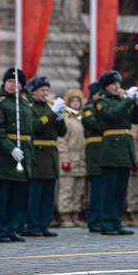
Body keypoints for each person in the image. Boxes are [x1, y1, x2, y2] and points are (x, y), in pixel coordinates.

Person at [0, 68, 35, 242]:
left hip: (23, 154)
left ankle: (12, 228)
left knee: (19, 196)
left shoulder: (24, 103)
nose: (11, 84)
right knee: (3, 196)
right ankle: (0, 231)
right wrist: (11, 149)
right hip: (5, 156)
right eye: (8, 81)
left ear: (21, 86)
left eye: (16, 82)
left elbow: (31, 129)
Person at [97, 70, 138, 235]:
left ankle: (117, 221)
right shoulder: (102, 101)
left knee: (120, 190)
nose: (118, 86)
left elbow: (136, 119)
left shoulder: (121, 100)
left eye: (118, 83)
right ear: (106, 86)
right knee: (109, 190)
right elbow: (112, 114)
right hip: (111, 149)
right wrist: (128, 101)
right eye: (113, 84)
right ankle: (106, 223)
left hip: (124, 149)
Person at [24, 76, 66, 237]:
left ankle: (43, 224)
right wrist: (52, 113)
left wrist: (60, 117)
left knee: (48, 193)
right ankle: (32, 225)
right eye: (42, 90)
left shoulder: (50, 108)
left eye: (47, 90)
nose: (46, 93)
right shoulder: (29, 107)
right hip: (37, 154)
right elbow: (34, 127)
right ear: (33, 92)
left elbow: (62, 133)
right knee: (36, 193)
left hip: (50, 155)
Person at [57, 89, 86, 227]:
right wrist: (64, 158)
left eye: (78, 100)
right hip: (69, 156)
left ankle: (75, 213)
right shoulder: (65, 119)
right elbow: (61, 140)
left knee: (78, 189)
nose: (76, 103)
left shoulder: (80, 118)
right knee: (67, 188)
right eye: (73, 100)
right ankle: (65, 215)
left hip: (81, 157)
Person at [81, 82, 104, 232]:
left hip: (106, 150)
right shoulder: (88, 109)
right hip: (95, 150)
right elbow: (96, 125)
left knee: (105, 188)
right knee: (96, 188)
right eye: (99, 94)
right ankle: (94, 220)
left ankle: (103, 218)